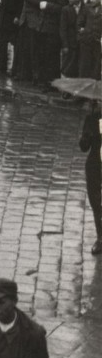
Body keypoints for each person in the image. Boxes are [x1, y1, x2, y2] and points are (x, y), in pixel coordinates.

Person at [79, 102, 102, 254]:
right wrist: (86, 137)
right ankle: (101, 238)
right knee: (95, 202)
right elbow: (83, 147)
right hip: (94, 165)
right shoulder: (92, 118)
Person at [77, 0, 101, 78]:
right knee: (84, 65)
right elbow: (79, 22)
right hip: (86, 41)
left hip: (97, 41)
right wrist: (82, 32)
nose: (91, 0)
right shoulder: (86, 8)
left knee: (96, 65)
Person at [60, 0, 81, 77]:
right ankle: (65, 88)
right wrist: (65, 45)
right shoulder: (66, 10)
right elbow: (63, 28)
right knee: (67, 66)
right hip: (70, 43)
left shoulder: (85, 8)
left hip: (81, 43)